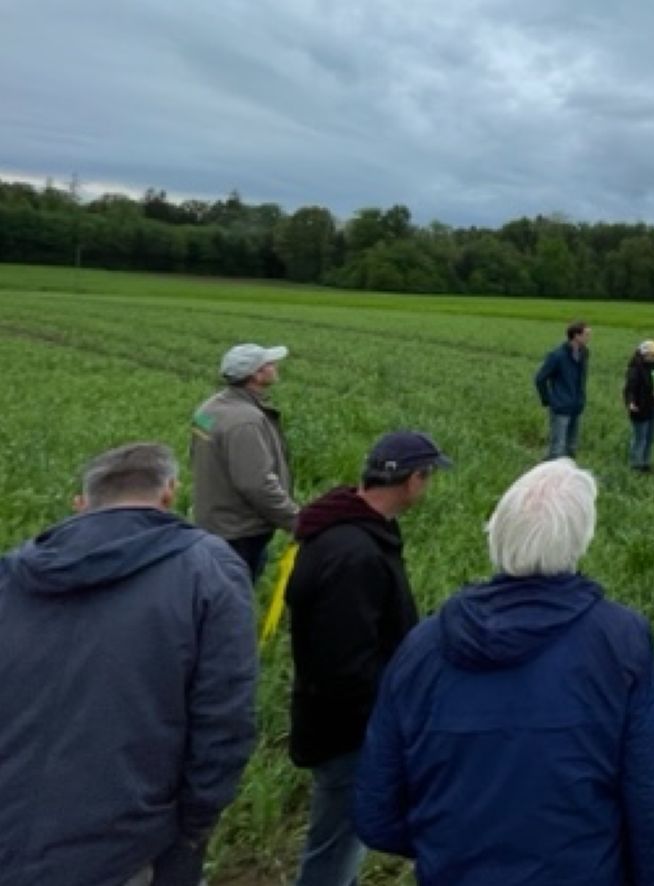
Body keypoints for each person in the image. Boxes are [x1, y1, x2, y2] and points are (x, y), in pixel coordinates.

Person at [355, 459, 654, 885]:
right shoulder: (623, 641)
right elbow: (650, 801)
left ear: (498, 532)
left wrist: (447, 847)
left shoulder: (421, 648)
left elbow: (376, 814)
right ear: (582, 539)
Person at [0, 443, 257, 885]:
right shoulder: (208, 570)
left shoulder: (13, 573)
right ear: (169, 492)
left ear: (85, 501)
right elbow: (224, 716)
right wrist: (194, 826)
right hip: (127, 845)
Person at [286, 430, 451, 886]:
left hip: (338, 725)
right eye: (428, 476)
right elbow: (344, 669)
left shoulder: (347, 532)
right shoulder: (354, 556)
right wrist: (391, 715)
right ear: (414, 480)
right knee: (333, 852)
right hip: (348, 734)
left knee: (341, 841)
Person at [191, 342, 299, 581]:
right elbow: (256, 484)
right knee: (236, 594)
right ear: (255, 375)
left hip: (215, 521)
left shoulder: (208, 409)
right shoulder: (246, 422)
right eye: (269, 364)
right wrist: (297, 521)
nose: (275, 366)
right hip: (240, 533)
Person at [534, 321, 591, 460]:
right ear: (576, 336)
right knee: (557, 448)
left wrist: (581, 399)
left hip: (576, 406)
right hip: (560, 407)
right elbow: (540, 378)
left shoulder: (584, 353)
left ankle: (568, 471)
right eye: (586, 334)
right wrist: (548, 400)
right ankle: (548, 470)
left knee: (572, 447)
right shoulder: (557, 355)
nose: (588, 337)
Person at [624, 339, 654, 472]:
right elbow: (629, 389)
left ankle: (646, 463)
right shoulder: (635, 370)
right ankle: (636, 465)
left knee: (650, 438)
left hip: (653, 408)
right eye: (653, 355)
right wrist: (630, 402)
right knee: (640, 439)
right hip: (640, 409)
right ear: (644, 355)